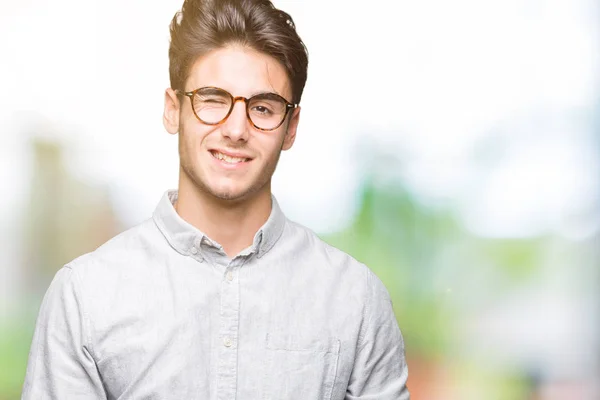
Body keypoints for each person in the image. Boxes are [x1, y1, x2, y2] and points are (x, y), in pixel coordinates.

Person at [21, 0, 410, 399]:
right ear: (173, 110)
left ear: (290, 128)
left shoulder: (354, 299)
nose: (236, 129)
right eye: (212, 99)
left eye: (262, 107)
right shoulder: (86, 295)